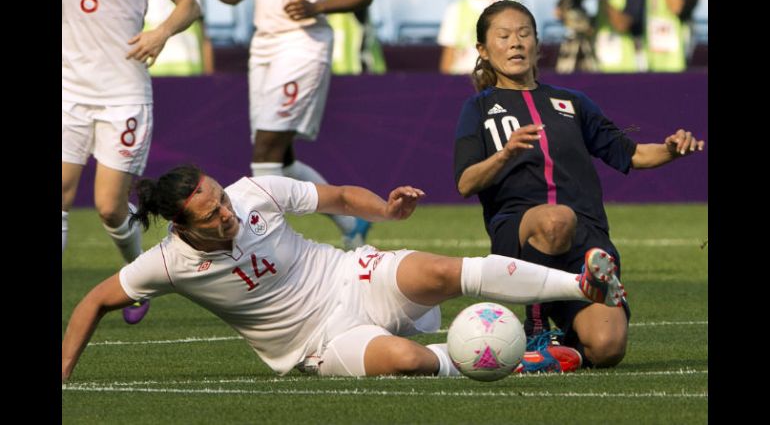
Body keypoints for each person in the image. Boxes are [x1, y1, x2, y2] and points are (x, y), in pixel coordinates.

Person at [62, 164, 627, 381]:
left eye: (223, 200)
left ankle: (579, 285)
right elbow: (93, 301)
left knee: (439, 270)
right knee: (406, 362)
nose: (229, 213)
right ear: (184, 226)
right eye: (213, 215)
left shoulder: (254, 192)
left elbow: (333, 195)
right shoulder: (164, 263)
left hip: (349, 274)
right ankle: (525, 364)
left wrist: (384, 209)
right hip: (319, 340)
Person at [453, 0, 704, 372]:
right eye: (503, 37)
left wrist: (671, 150)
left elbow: (632, 154)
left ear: (538, 44)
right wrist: (504, 154)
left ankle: (561, 350)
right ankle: (535, 329)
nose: (516, 43)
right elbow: (465, 183)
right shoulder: (478, 109)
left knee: (608, 348)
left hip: (585, 243)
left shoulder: (572, 102)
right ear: (484, 51)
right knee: (555, 220)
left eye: (524, 34)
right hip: (521, 235)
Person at [196, 0, 374, 249]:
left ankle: (266, 246)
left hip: (303, 44)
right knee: (282, 155)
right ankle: (352, 221)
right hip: (263, 46)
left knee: (267, 147)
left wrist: (317, 6)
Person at [62, 0, 201, 324]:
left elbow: (190, 4)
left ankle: (136, 278)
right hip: (69, 93)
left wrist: (161, 33)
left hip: (123, 94)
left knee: (110, 206)